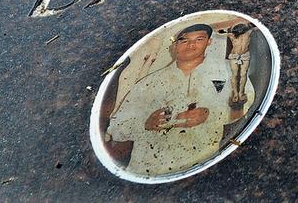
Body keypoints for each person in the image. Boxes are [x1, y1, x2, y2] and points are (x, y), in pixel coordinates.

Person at [105, 22, 253, 177]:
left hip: (201, 166)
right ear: (174, 46)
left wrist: (211, 114)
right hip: (150, 170)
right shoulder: (149, 83)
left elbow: (247, 105)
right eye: (184, 40)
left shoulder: (225, 73)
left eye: (199, 39)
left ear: (209, 42)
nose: (191, 45)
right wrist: (145, 122)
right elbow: (115, 128)